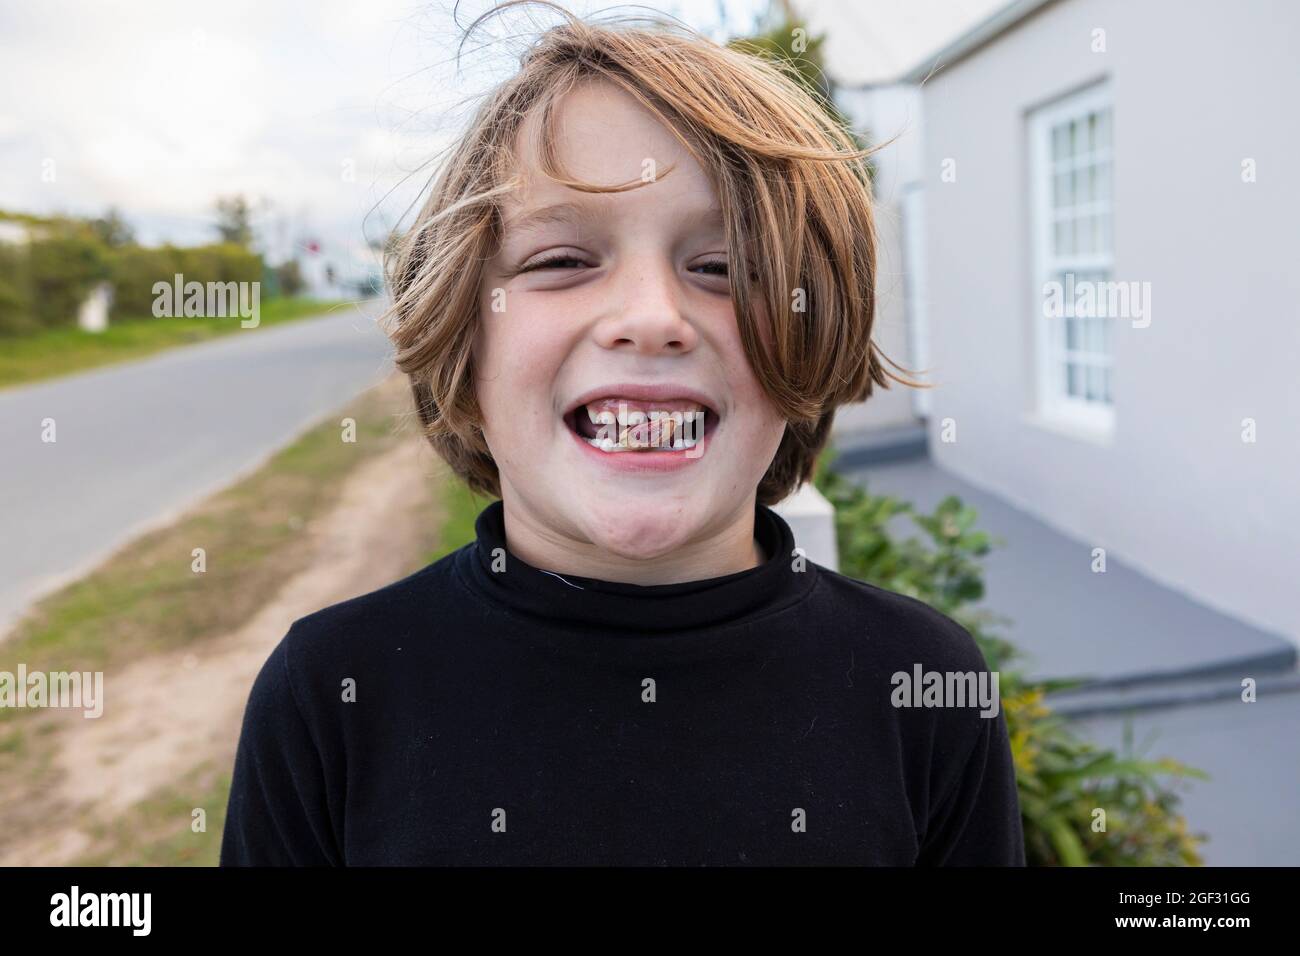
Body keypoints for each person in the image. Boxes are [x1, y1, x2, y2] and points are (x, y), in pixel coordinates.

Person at [220, 2, 1025, 866]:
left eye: (723, 268)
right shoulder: (331, 692)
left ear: (810, 337)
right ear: (464, 336)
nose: (651, 318)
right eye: (562, 261)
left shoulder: (926, 686)